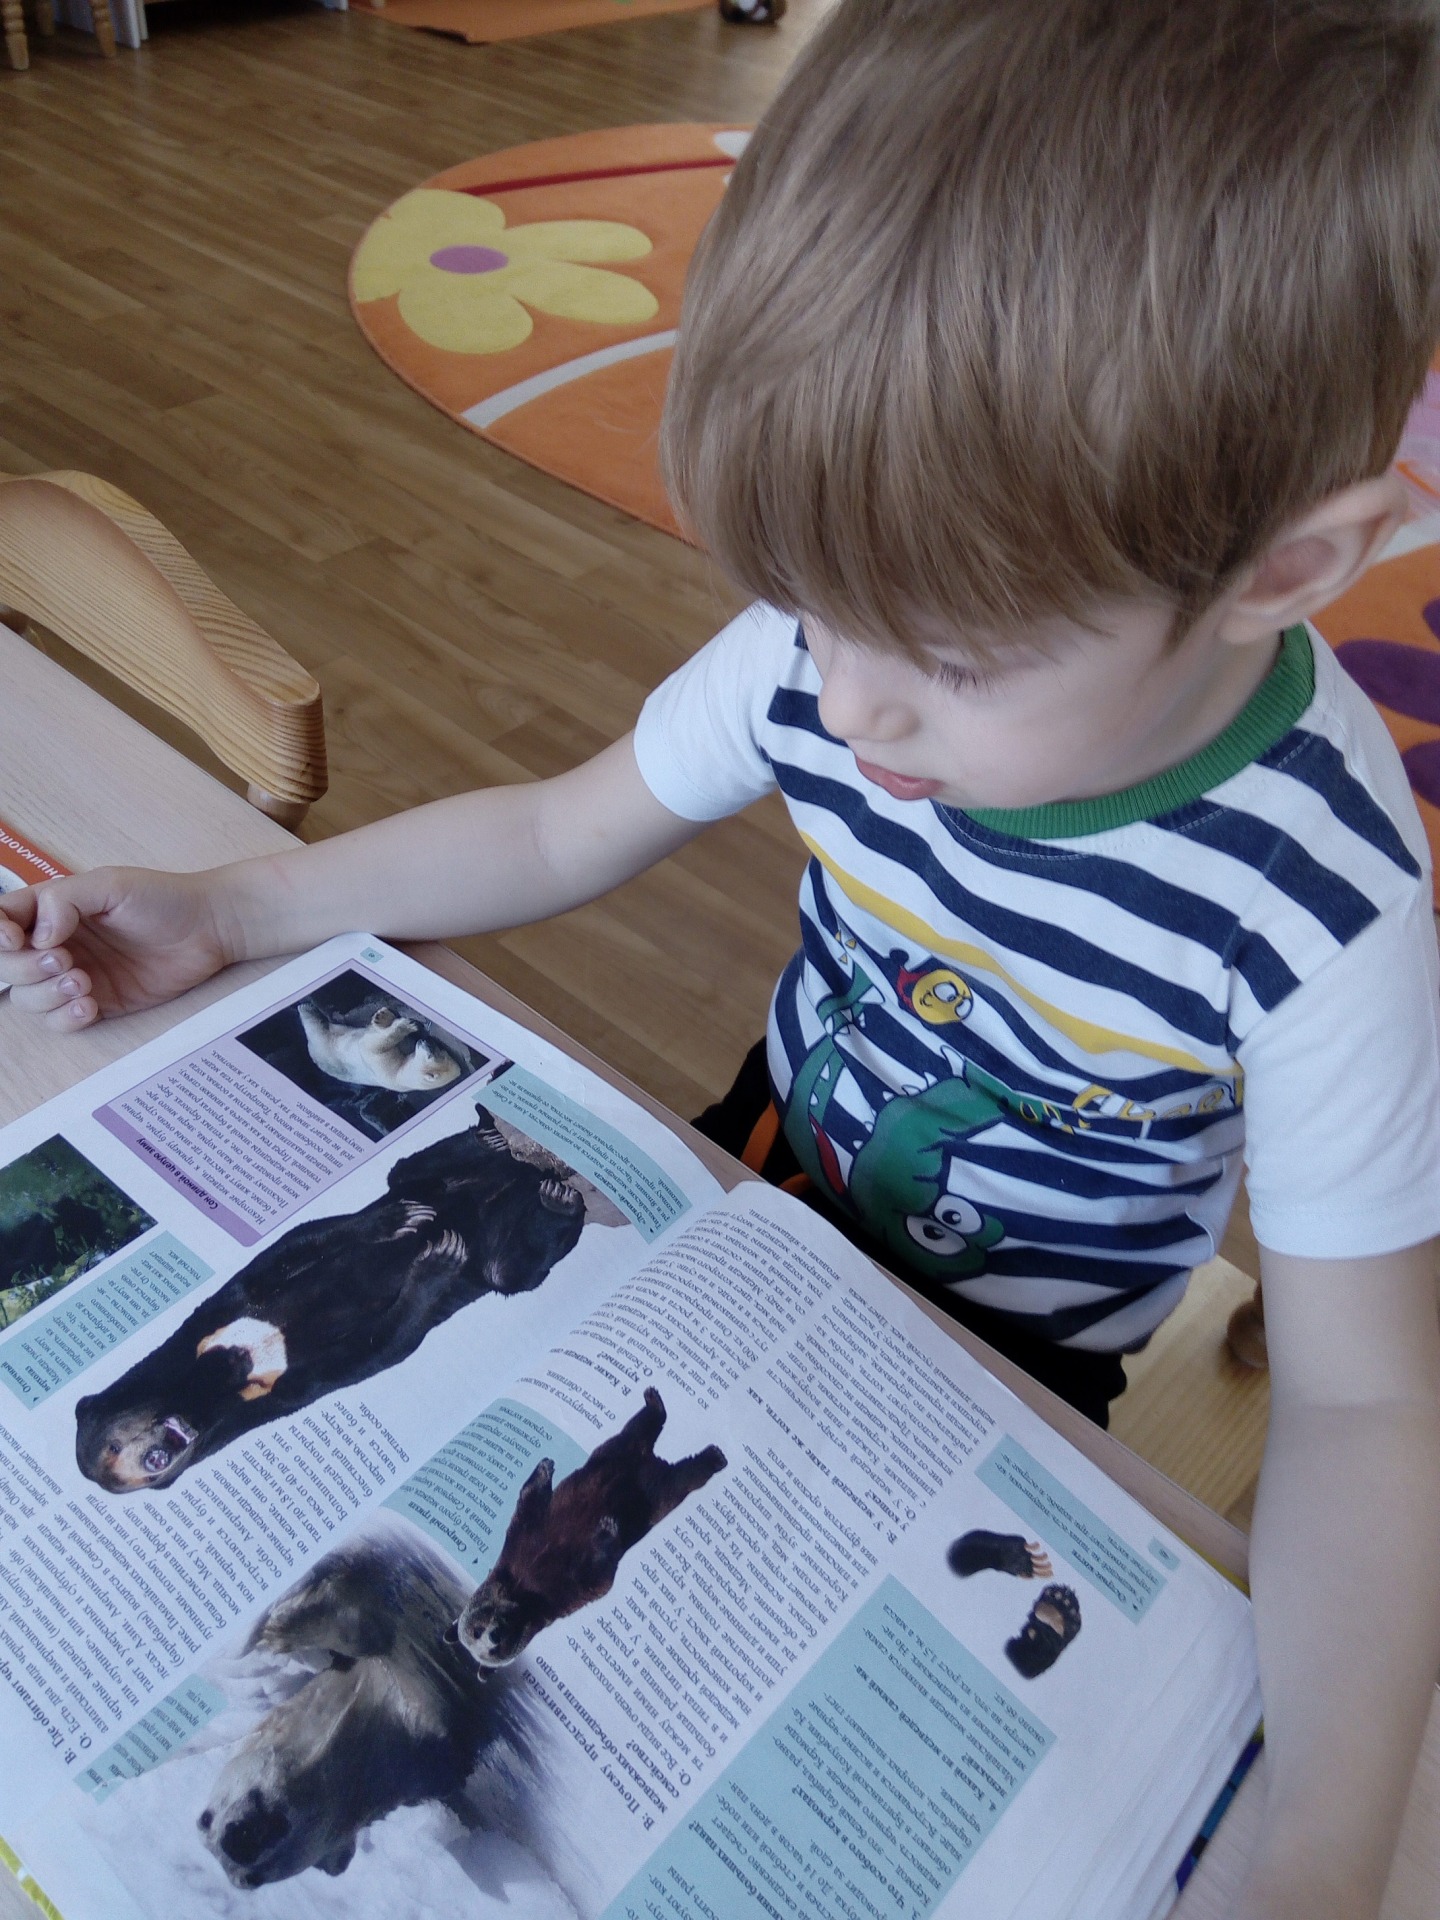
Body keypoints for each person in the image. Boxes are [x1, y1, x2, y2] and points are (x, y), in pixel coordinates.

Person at [3, 1, 1439, 1909]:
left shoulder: (1319, 899)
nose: (845, 703)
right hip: (745, 1181)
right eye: (803, 604)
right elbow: (556, 829)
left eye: (948, 659)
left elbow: (1367, 1403)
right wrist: (241, 906)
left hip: (1009, 1354)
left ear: (1286, 567)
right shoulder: (845, 642)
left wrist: (1329, 1844)